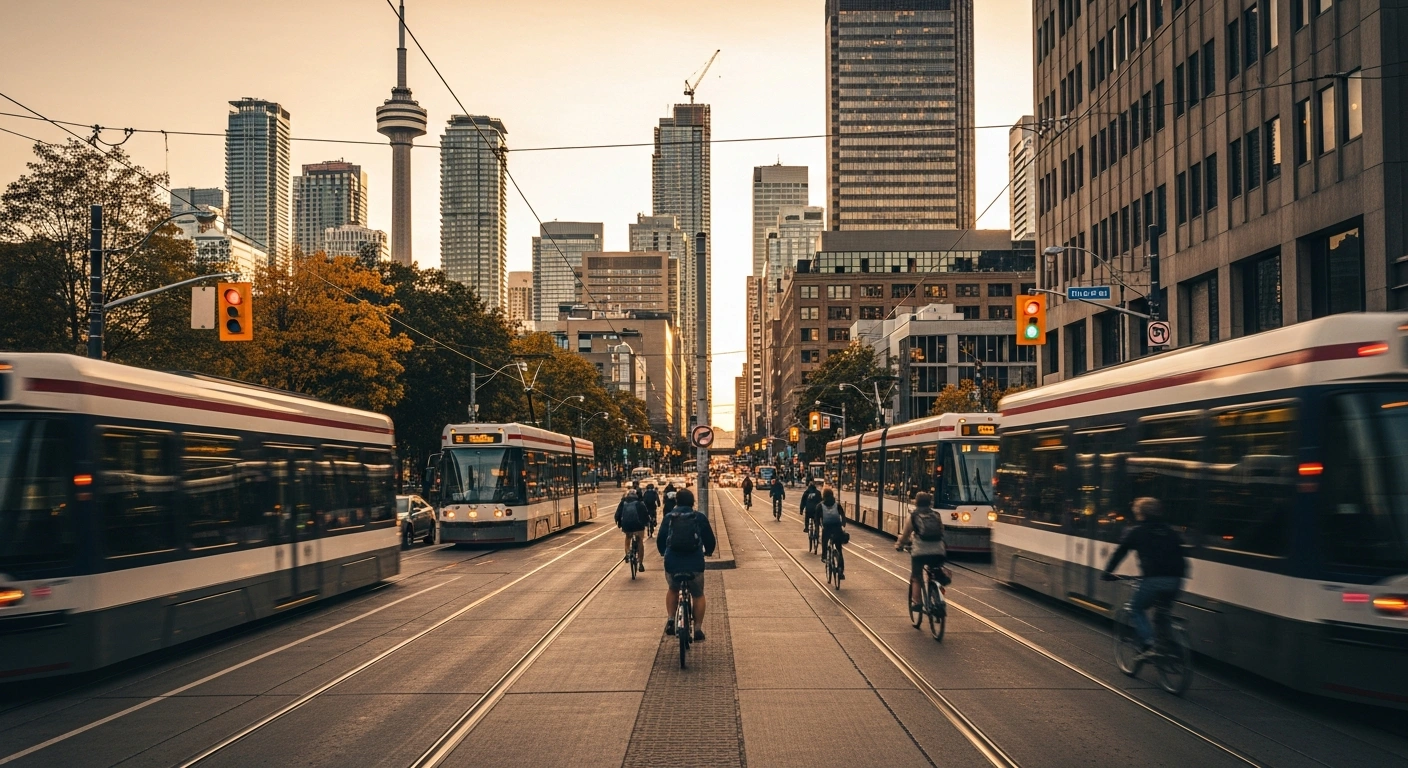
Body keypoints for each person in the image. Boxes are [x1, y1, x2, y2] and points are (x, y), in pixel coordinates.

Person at [1101, 497, 1187, 660]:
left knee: (1136, 608)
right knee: (1162, 612)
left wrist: (1107, 572)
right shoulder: (1170, 531)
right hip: (1176, 580)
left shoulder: (1137, 531)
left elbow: (1120, 552)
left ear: (1140, 513)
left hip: (1153, 579)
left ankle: (1150, 642)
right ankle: (1166, 646)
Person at [658, 488, 716, 641]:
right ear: (692, 502)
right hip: (694, 563)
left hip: (673, 562)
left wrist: (663, 552)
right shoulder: (699, 517)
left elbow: (661, 539)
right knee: (698, 594)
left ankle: (671, 619)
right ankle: (697, 629)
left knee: (672, 588)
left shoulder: (669, 517)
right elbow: (709, 539)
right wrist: (709, 551)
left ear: (676, 501)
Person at [895, 491, 948, 611]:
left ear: (916, 502)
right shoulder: (936, 515)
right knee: (935, 573)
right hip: (939, 551)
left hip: (920, 552)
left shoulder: (913, 516)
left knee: (916, 576)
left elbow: (905, 535)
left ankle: (917, 602)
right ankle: (938, 598)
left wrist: (900, 544)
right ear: (930, 502)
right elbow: (942, 531)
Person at [614, 488, 648, 571]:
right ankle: (640, 563)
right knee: (640, 541)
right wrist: (646, 523)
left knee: (628, 538)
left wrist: (619, 523)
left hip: (626, 525)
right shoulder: (640, 503)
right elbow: (645, 514)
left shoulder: (623, 502)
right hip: (638, 526)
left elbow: (617, 514)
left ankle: (628, 553)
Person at [817, 487, 845, 578]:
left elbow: (817, 518)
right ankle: (840, 570)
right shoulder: (837, 504)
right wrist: (843, 524)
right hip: (837, 528)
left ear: (823, 495)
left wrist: (818, 527)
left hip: (827, 528)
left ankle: (824, 556)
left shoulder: (820, 505)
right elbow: (842, 515)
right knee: (839, 549)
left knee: (824, 541)